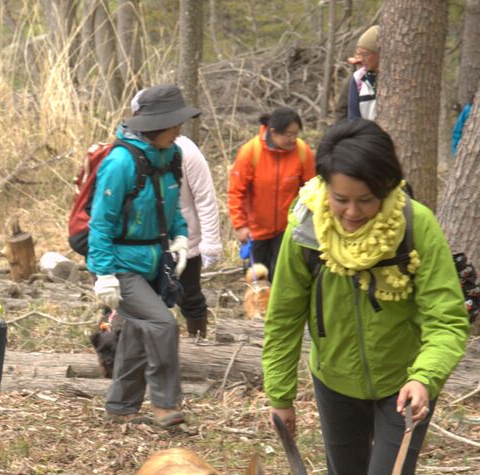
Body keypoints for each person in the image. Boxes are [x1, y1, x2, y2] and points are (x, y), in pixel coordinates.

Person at [262, 118, 469, 475]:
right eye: (341, 200)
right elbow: (283, 317)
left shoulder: (416, 227)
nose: (352, 213)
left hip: (403, 384)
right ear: (324, 187)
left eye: (366, 200)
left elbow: (447, 320)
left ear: (389, 190)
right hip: (334, 377)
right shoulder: (306, 229)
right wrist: (280, 394)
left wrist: (424, 378)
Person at [90, 84, 198, 429]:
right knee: (162, 325)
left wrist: (180, 237)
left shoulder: (171, 157)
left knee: (138, 332)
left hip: (154, 261)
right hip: (121, 265)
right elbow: (101, 223)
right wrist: (104, 274)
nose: (179, 130)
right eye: (173, 123)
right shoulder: (120, 162)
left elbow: (172, 206)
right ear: (155, 124)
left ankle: (121, 404)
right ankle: (166, 405)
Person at [131, 90, 221, 340]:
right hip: (147, 246)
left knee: (190, 297)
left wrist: (210, 244)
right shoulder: (131, 153)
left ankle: (198, 346)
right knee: (148, 303)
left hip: (185, 243)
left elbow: (205, 197)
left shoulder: (186, 151)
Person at [227, 107, 316, 278]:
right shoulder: (250, 152)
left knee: (282, 277)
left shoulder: (303, 152)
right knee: (257, 279)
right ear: (273, 132)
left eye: (296, 134)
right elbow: (236, 192)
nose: (293, 139)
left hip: (288, 228)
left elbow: (312, 191)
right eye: (288, 135)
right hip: (256, 230)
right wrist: (240, 225)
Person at [347, 25, 379, 121]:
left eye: (365, 54)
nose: (361, 59)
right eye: (359, 54)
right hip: (367, 134)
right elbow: (353, 117)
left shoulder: (397, 77)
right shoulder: (358, 78)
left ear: (379, 54)